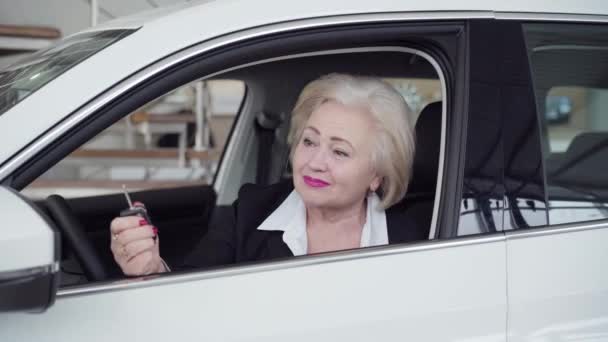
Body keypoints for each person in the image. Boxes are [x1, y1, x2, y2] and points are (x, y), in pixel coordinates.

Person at [110, 73, 423, 276]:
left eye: (339, 152)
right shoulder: (250, 211)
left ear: (377, 175)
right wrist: (152, 268)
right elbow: (187, 294)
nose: (315, 162)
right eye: (309, 141)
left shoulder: (417, 239)